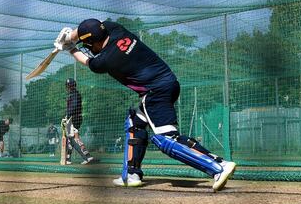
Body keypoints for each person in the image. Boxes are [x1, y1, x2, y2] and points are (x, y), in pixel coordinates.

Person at [55, 19, 236, 190]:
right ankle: (131, 175)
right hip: (168, 82)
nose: (87, 48)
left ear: (93, 40)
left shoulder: (107, 59)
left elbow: (89, 62)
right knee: (135, 122)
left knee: (166, 139)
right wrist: (69, 35)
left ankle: (218, 165)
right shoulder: (115, 28)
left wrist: (70, 48)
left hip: (155, 92)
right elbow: (91, 27)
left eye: (87, 44)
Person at [63, 78, 97, 165]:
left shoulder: (74, 95)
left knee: (74, 138)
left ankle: (87, 157)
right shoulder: (73, 94)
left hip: (74, 118)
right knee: (71, 138)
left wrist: (67, 115)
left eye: (68, 86)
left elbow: (73, 107)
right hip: (74, 118)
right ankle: (68, 159)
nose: (68, 87)